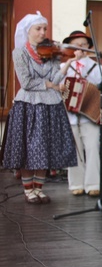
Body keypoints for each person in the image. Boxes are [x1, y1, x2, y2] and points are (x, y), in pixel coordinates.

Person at [3, 12, 78, 203]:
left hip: (50, 104)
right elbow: (26, 82)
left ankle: (39, 188)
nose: (43, 32)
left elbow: (55, 79)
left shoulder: (51, 53)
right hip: (28, 104)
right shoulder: (19, 52)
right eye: (38, 29)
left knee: (46, 147)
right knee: (29, 149)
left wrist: (67, 63)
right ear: (28, 31)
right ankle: (29, 190)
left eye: (44, 28)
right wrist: (51, 85)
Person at [61, 30, 102, 197]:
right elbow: (58, 87)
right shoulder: (63, 66)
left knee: (93, 148)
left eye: (84, 45)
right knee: (74, 151)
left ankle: (93, 184)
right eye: (76, 45)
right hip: (69, 116)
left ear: (88, 47)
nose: (80, 48)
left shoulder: (96, 67)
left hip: (90, 116)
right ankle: (76, 184)